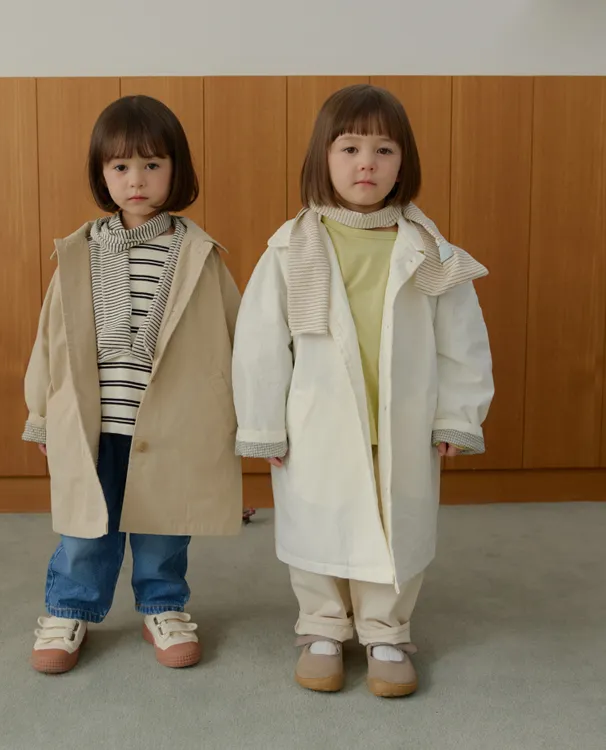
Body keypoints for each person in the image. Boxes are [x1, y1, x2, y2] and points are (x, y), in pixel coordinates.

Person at [232, 84, 493, 697]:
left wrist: (458, 415)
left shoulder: (430, 253)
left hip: (402, 423)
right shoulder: (291, 249)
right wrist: (264, 424)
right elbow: (261, 345)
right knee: (318, 522)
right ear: (323, 157)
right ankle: (322, 625)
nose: (366, 163)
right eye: (349, 148)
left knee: (395, 524)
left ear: (405, 162)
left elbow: (462, 343)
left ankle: (386, 630)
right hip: (317, 425)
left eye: (384, 150)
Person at [23, 95, 242, 674]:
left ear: (176, 170)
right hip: (94, 424)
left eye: (152, 164)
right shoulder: (79, 254)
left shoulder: (200, 256)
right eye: (120, 166)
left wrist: (247, 417)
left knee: (164, 527)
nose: (136, 180)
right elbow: (51, 341)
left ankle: (163, 607)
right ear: (101, 174)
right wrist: (41, 417)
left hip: (173, 424)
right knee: (84, 529)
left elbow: (236, 339)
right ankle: (68, 609)